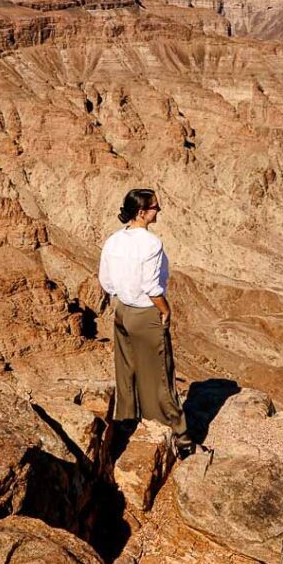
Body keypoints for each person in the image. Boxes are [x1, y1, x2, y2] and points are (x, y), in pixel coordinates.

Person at [98, 188, 195, 457]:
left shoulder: (114, 240)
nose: (159, 211)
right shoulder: (151, 244)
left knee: (126, 372)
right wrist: (165, 310)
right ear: (142, 212)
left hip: (122, 312)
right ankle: (180, 439)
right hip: (145, 313)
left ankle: (127, 427)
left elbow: (106, 281)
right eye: (155, 207)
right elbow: (151, 286)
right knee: (159, 379)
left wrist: (124, 294)